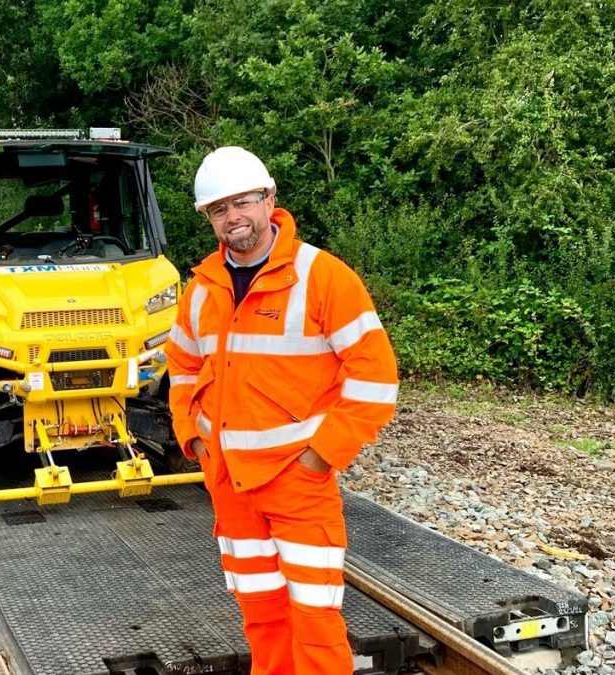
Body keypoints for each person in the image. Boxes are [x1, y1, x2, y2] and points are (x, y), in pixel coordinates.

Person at [166, 146, 399, 674]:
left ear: (270, 199)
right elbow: (180, 364)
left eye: (243, 202)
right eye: (219, 209)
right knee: (261, 615)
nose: (233, 217)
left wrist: (322, 456)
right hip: (229, 484)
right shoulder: (202, 289)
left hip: (298, 481)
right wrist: (194, 438)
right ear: (208, 217)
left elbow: (376, 376)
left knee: (316, 621)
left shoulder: (322, 277)